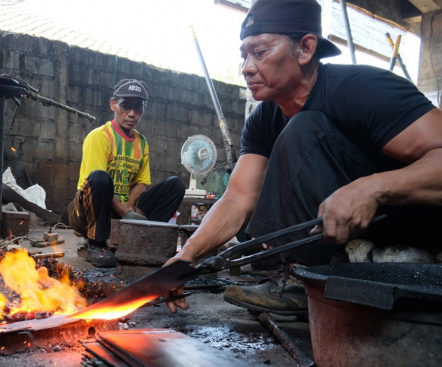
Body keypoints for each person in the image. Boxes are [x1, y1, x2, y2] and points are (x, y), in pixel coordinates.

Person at [165, 0, 442, 316]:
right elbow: (237, 199)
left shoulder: (362, 90)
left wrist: (372, 188)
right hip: (357, 242)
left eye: (260, 52)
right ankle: (301, 274)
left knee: (306, 127)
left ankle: (303, 275)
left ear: (306, 49)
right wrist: (188, 256)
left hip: (420, 230)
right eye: (243, 55)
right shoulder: (262, 121)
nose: (246, 67)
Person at [68, 79, 186, 268]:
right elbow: (92, 184)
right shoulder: (99, 136)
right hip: (91, 212)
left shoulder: (142, 142)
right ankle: (96, 245)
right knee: (100, 178)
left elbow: (142, 182)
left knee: (175, 185)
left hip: (124, 211)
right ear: (113, 104)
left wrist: (129, 206)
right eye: (125, 106)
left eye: (138, 107)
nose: (132, 113)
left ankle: (146, 240)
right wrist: (126, 212)